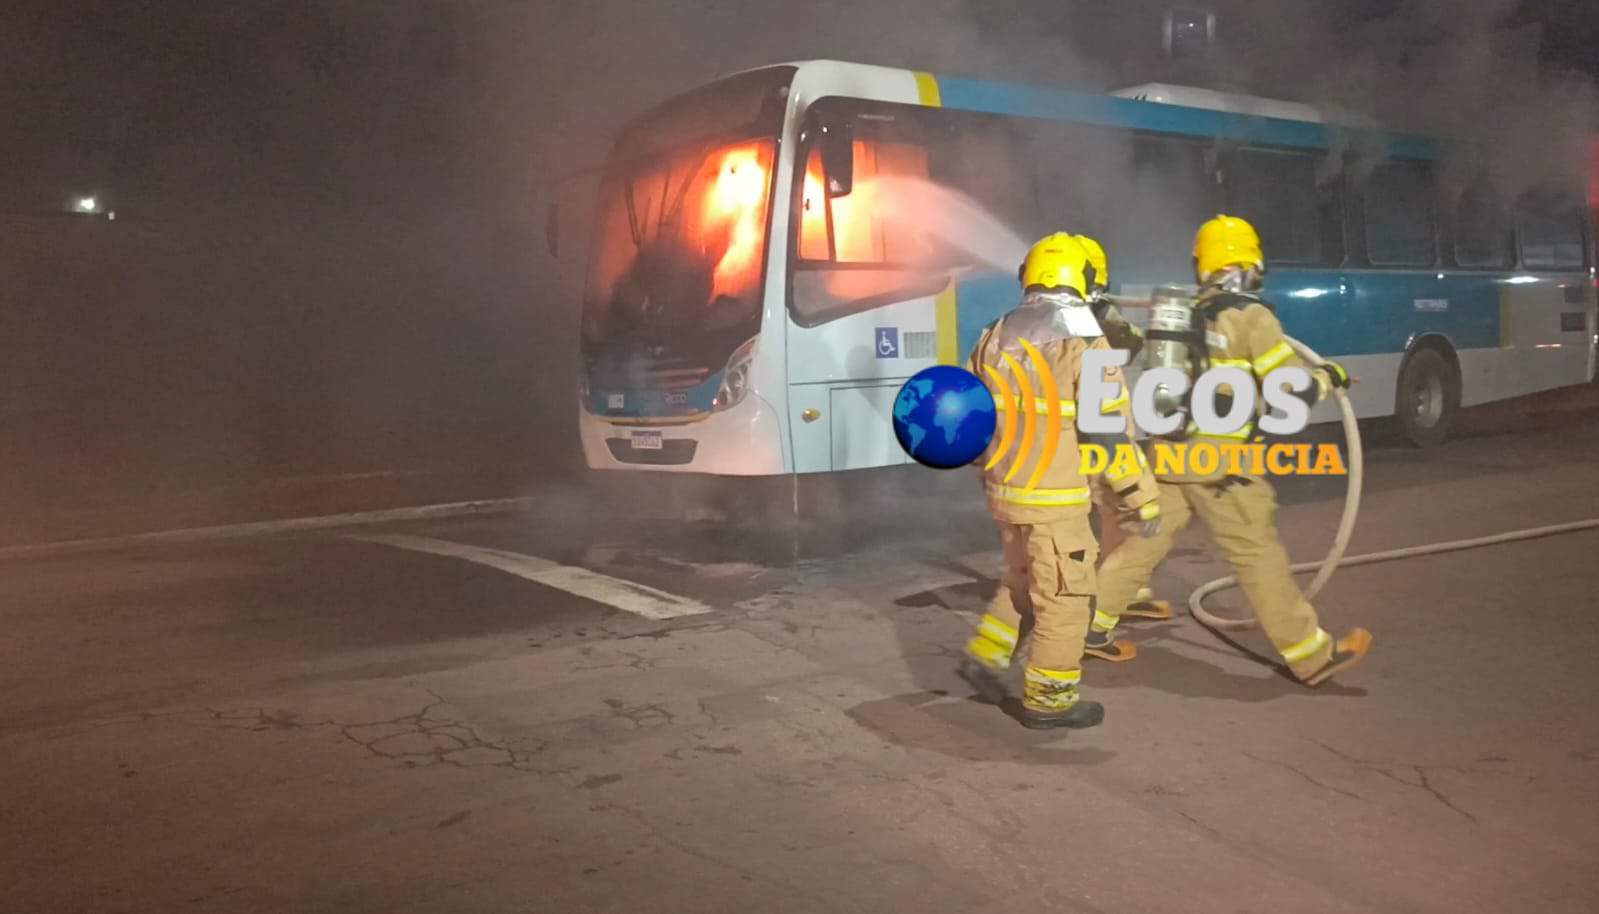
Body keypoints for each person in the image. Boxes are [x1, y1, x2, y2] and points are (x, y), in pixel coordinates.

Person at [1092, 215, 1372, 686]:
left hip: (1169, 452)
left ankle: (1085, 627)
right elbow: (1288, 389)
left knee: (1144, 541)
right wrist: (1330, 377)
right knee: (1257, 553)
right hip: (1219, 464)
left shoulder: (1185, 312)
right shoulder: (1251, 317)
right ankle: (1311, 655)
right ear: (1251, 262)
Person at [958, 232, 1161, 729]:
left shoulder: (996, 333)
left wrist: (986, 467)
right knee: (1065, 600)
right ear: (1083, 280)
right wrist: (1141, 495)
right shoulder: (1085, 342)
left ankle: (986, 657)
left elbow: (970, 410)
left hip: (1005, 495)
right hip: (1057, 502)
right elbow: (1107, 432)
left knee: (1023, 581)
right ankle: (1050, 701)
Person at [1074, 234, 1172, 655]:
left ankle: (1126, 594)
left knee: (1116, 518)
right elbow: (1127, 347)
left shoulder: (1075, 318)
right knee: (1136, 516)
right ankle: (1092, 624)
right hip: (1097, 440)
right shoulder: (1084, 325)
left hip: (1089, 438)